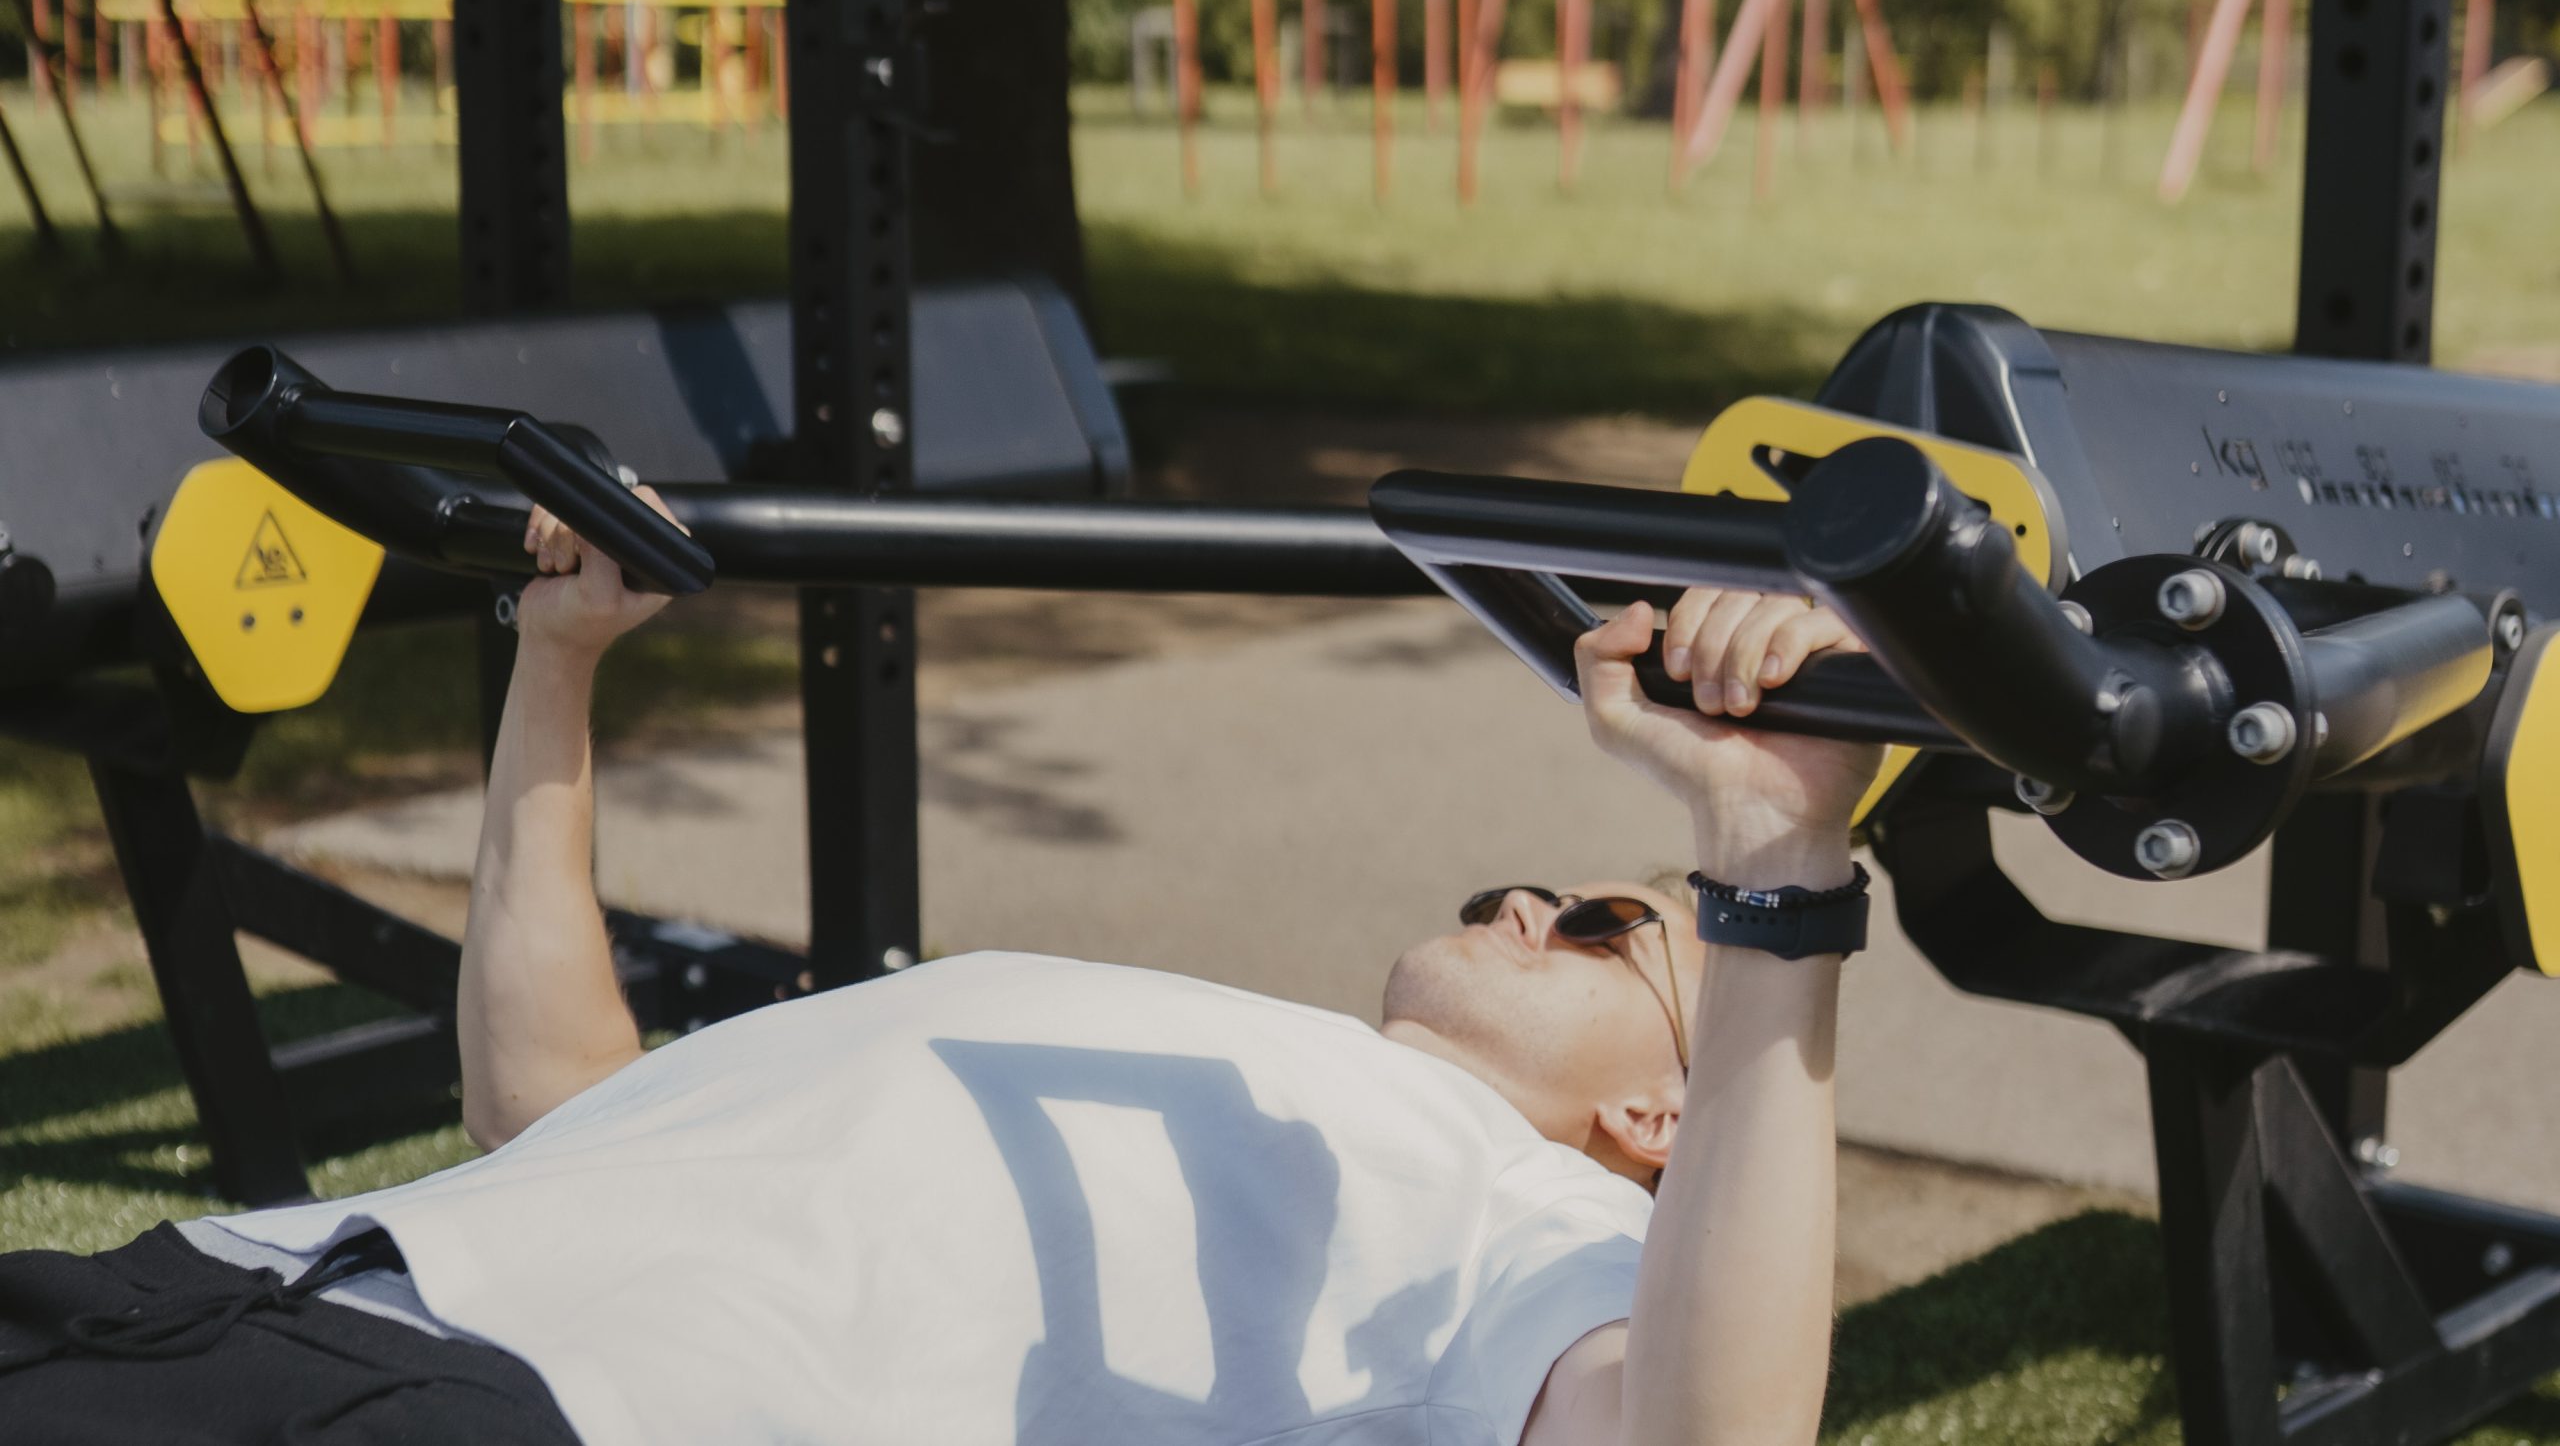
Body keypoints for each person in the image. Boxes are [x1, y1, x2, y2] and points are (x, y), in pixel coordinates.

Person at [0, 494, 1881, 1446]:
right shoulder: (1208, 1066)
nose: (1532, 904)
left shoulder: (1537, 1234)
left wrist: (1771, 869)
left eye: (1611, 925)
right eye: (1533, 885)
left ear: (1660, 1115)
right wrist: (557, 666)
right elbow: (547, 1104)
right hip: (243, 1286)